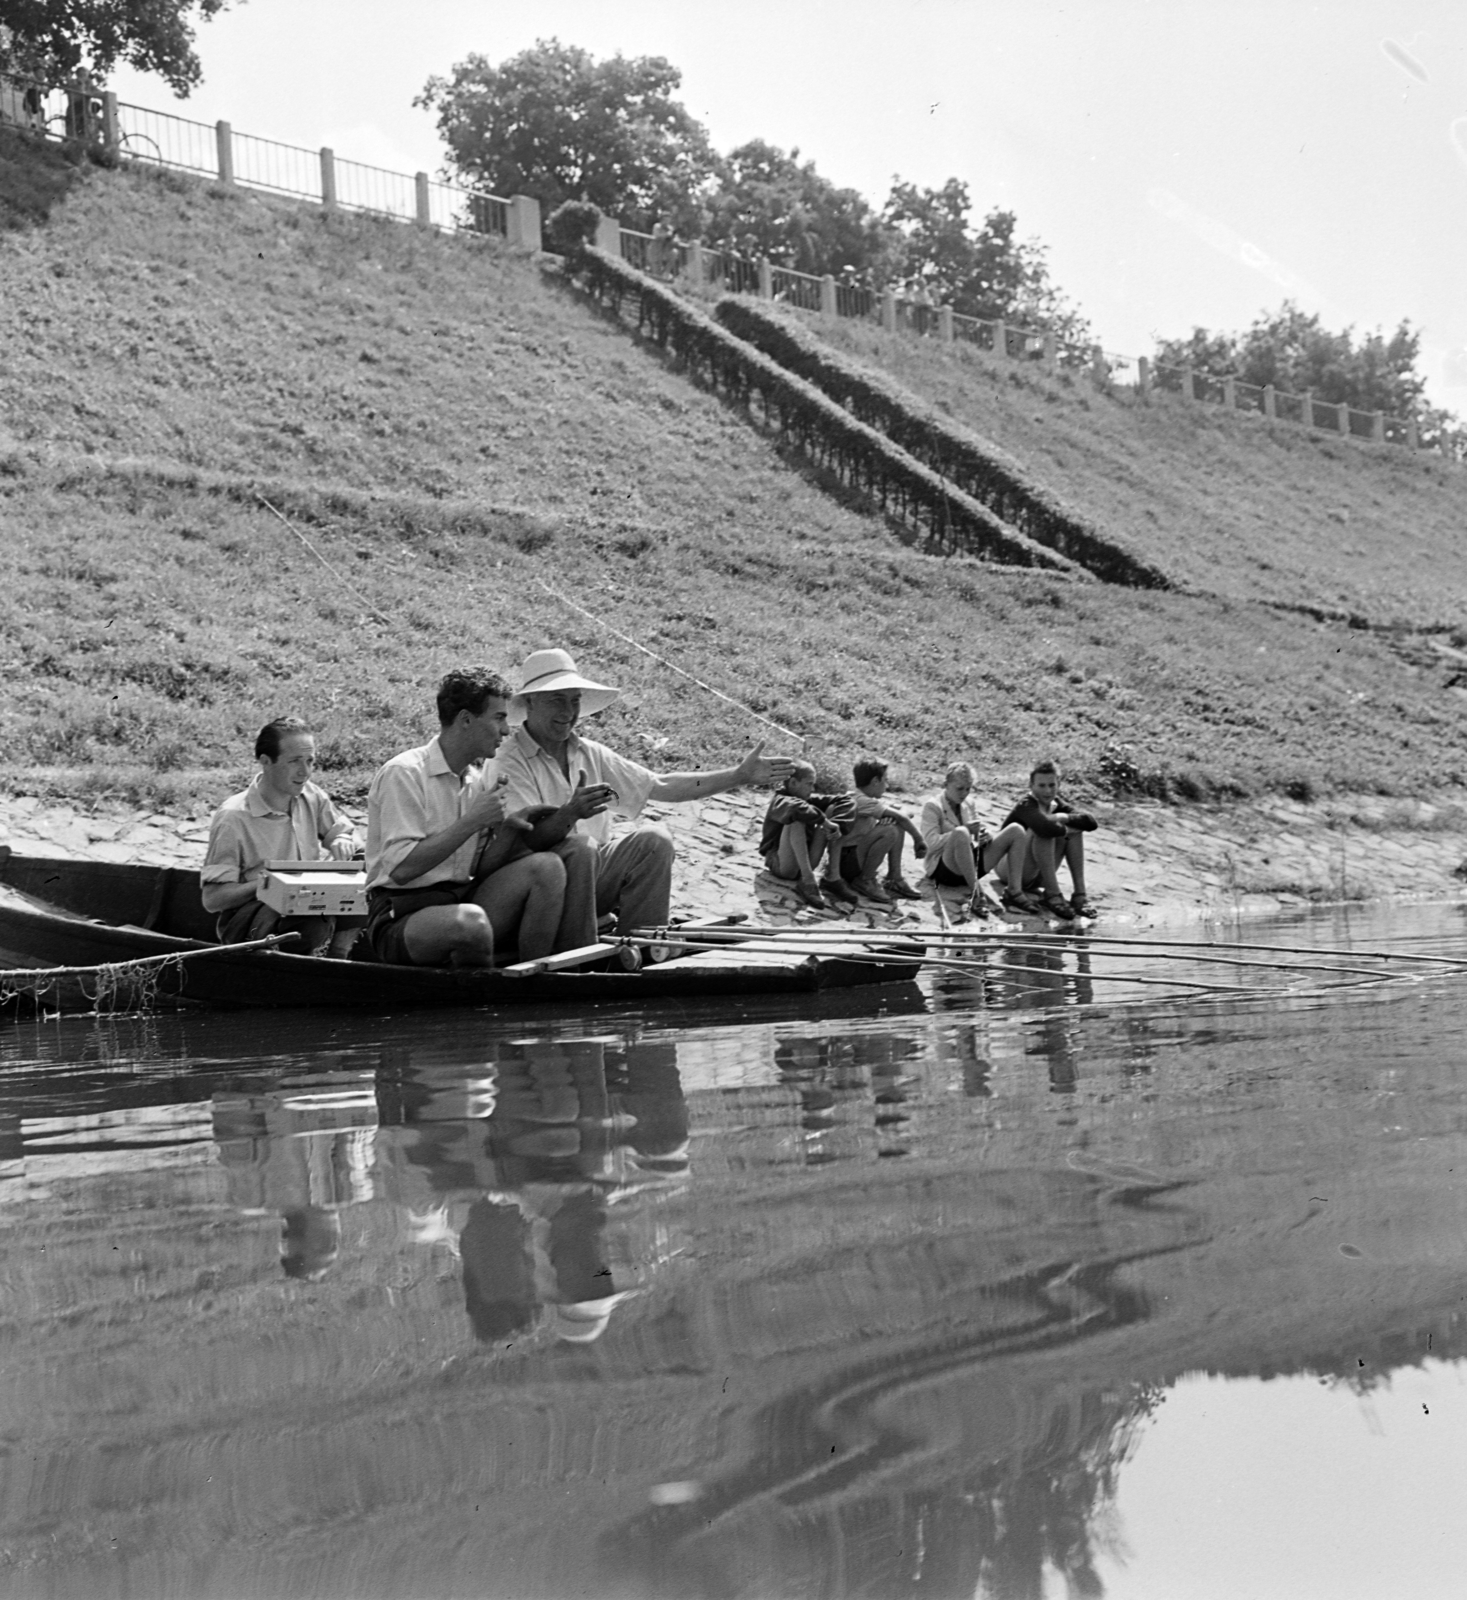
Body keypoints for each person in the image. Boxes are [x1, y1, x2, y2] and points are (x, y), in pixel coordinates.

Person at [495, 648, 794, 940]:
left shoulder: (588, 751)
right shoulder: (509, 759)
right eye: (556, 700)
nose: (568, 712)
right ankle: (578, 955)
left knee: (655, 840)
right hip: (540, 892)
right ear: (530, 703)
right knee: (582, 847)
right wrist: (570, 814)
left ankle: (644, 948)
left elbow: (660, 785)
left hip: (590, 881)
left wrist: (738, 775)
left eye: (574, 701)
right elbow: (526, 842)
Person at [361, 667, 587, 967]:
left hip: (458, 900)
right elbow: (401, 869)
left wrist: (507, 831)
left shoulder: (476, 781)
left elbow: (479, 872)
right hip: (399, 916)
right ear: (466, 720)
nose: (507, 730)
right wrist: (472, 821)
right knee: (471, 924)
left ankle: (537, 983)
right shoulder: (404, 773)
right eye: (499, 718)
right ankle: (487, 1000)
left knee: (547, 868)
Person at [200, 716, 364, 958]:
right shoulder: (233, 818)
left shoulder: (311, 796)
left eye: (310, 761)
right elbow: (213, 899)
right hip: (252, 921)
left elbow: (347, 836)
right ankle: (302, 968)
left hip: (307, 903)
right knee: (309, 920)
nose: (305, 772)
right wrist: (270, 885)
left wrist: (343, 841)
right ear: (266, 762)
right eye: (295, 761)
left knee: (369, 866)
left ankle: (339, 956)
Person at [919, 762, 1030, 920]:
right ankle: (977, 893)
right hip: (943, 869)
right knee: (960, 832)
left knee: (1016, 830)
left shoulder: (969, 803)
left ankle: (1014, 891)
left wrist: (986, 835)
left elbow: (978, 830)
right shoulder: (932, 806)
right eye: (959, 788)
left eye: (968, 788)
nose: (964, 793)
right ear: (945, 785)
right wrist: (963, 831)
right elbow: (932, 842)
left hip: (968, 864)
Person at [1000, 759, 1099, 920]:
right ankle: (1052, 894)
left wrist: (1061, 816)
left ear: (1058, 784)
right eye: (1041, 785)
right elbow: (1044, 828)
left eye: (1052, 785)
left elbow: (1090, 821)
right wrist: (1064, 824)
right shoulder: (1026, 804)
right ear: (1031, 786)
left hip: (1037, 874)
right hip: (1012, 872)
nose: (1047, 791)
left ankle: (1080, 895)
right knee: (1045, 831)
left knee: (1073, 832)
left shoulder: (1056, 803)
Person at [759, 761, 857, 911]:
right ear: (793, 783)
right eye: (809, 784)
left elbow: (845, 800)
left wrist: (837, 825)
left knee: (831, 808)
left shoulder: (807, 799)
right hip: (781, 864)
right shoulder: (780, 800)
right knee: (795, 819)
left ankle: (832, 876)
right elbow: (796, 807)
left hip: (806, 862)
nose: (812, 789)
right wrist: (824, 822)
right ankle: (808, 880)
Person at [837, 758, 927, 905]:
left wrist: (892, 817)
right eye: (885, 780)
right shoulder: (860, 800)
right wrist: (918, 839)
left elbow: (905, 812)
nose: (887, 784)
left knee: (895, 824)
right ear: (875, 782)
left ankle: (894, 877)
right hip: (846, 861)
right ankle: (865, 880)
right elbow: (902, 816)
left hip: (856, 855)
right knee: (889, 831)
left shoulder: (868, 798)